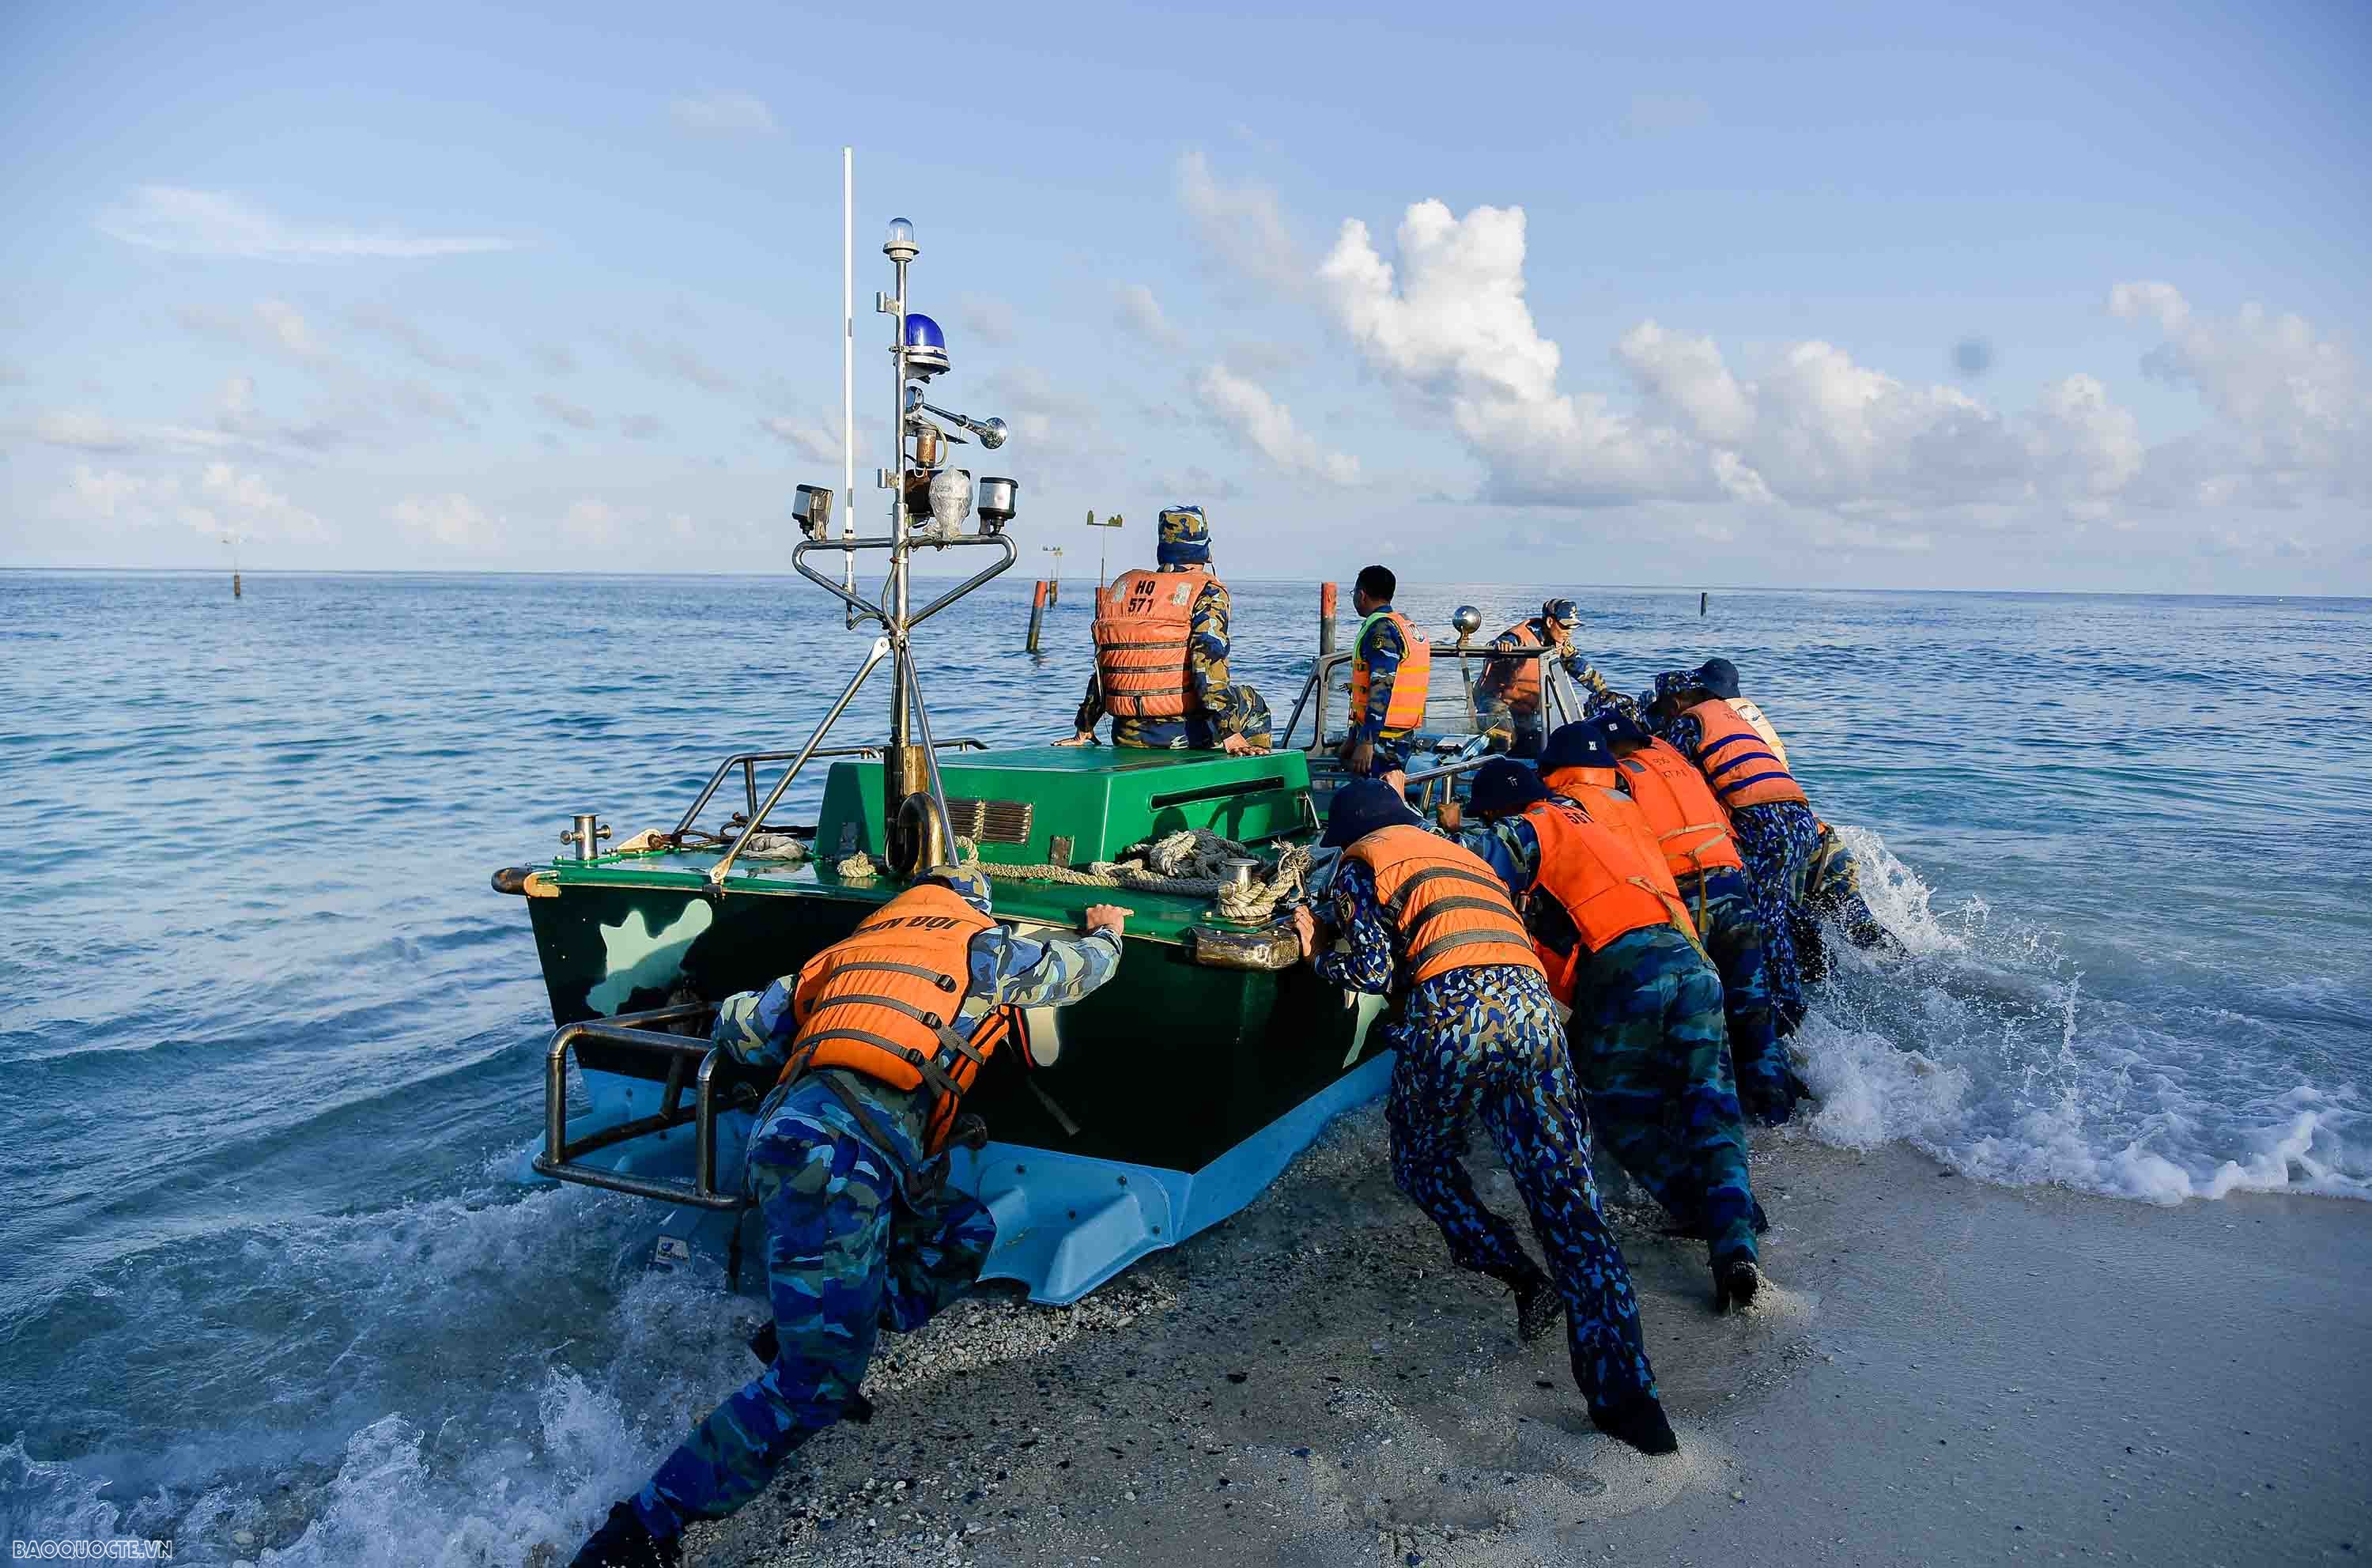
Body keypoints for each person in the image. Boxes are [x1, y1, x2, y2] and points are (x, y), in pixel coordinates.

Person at [568, 867, 1131, 1568]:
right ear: (971, 907)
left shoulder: (838, 956)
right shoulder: (980, 947)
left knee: (964, 1230)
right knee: (815, 1388)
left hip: (788, 1139)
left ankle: (827, 1322)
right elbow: (1070, 971)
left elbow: (740, 1025)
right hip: (841, 1162)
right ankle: (641, 1532)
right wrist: (1108, 931)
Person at [1294, 780, 1676, 1453]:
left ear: (1350, 832)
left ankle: (1519, 1275)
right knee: (1570, 1208)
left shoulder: (1364, 859)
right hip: (1534, 1016)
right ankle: (1632, 1403)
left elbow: (1371, 972)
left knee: (1422, 1163)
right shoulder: (1460, 855)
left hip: (1456, 1018)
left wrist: (1314, 949)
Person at [1442, 729, 1766, 1309]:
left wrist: (1444, 828)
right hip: (1693, 960)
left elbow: (1467, 864)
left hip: (1627, 966)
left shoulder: (1545, 817)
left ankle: (1696, 1204)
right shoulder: (1623, 809)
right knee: (1712, 1105)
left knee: (1613, 1109)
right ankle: (1737, 1239)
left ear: (1552, 775)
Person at [1587, 709, 1806, 1124]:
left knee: (1694, 1011)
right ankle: (1777, 1111)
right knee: (1752, 1003)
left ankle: (1703, 1120)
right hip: (1733, 885)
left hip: (1687, 897)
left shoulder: (1618, 780)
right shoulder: (1678, 762)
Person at [1645, 661, 1823, 1033]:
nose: (1663, 719)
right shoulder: (1732, 717)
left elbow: (1667, 768)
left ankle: (1787, 1014)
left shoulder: (1689, 721)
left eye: (1662, 710)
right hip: (1800, 821)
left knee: (1762, 918)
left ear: (1676, 701)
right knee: (1775, 905)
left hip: (1767, 826)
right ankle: (1817, 962)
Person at [1063, 504, 1271, 752]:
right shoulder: (1207, 592)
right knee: (1253, 704)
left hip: (1126, 733)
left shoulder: (1123, 590)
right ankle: (1253, 784)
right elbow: (1207, 665)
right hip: (1179, 733)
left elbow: (1105, 667)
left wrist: (1085, 725)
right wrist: (1229, 732)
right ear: (1204, 551)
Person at [1474, 598, 1615, 758]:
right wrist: (1502, 646)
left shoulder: (1560, 643)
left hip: (1524, 705)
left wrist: (1604, 692)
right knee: (1505, 740)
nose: (1569, 631)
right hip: (1494, 700)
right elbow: (1499, 643)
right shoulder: (1520, 637)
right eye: (1565, 626)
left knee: (1535, 742)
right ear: (1550, 621)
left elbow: (1582, 669)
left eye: (1572, 627)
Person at [1338, 564, 1430, 788]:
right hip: (1396, 734)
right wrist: (1354, 736)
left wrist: (1366, 742)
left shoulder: (1382, 631)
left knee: (1374, 803)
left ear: (1362, 595)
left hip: (1383, 742)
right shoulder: (1404, 626)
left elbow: (1381, 688)